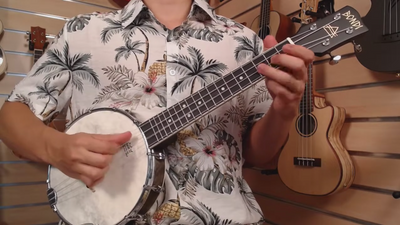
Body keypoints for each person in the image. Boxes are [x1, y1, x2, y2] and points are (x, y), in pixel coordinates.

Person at [0, 0, 314, 224]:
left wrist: (285, 110)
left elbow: (257, 155)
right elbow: (13, 115)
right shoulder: (84, 30)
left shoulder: (245, 42)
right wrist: (54, 146)